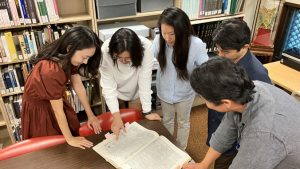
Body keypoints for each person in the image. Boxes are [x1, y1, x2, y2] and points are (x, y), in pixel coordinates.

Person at [184, 57, 300, 169]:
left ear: (226, 103)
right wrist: (203, 165)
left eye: (204, 99)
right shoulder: (240, 91)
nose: (205, 103)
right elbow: (223, 136)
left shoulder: (262, 133)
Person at [21, 26, 102, 149]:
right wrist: (70, 139)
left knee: (67, 132)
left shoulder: (68, 57)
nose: (85, 62)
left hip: (55, 101)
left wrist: (90, 114)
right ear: (70, 48)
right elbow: (58, 112)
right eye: (84, 57)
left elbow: (78, 86)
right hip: (41, 109)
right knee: (52, 147)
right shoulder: (50, 70)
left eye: (89, 58)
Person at [206, 18, 272, 168]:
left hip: (236, 136)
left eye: (225, 51)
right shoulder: (229, 60)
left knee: (224, 164)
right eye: (218, 49)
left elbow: (260, 117)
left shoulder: (258, 75)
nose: (220, 55)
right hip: (220, 122)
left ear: (244, 47)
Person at [153, 7, 208, 149]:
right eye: (164, 33)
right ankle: (167, 149)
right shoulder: (159, 40)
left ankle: (181, 150)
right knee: (167, 120)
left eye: (172, 34)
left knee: (183, 122)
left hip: (185, 92)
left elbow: (205, 69)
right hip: (164, 90)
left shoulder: (196, 45)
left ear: (182, 30)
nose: (167, 38)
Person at [100, 28, 161, 140]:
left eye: (128, 59)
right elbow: (108, 87)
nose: (123, 61)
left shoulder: (146, 47)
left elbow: (145, 80)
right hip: (115, 92)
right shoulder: (105, 50)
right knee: (119, 126)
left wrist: (147, 111)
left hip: (136, 89)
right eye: (118, 57)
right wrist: (116, 116)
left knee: (135, 125)